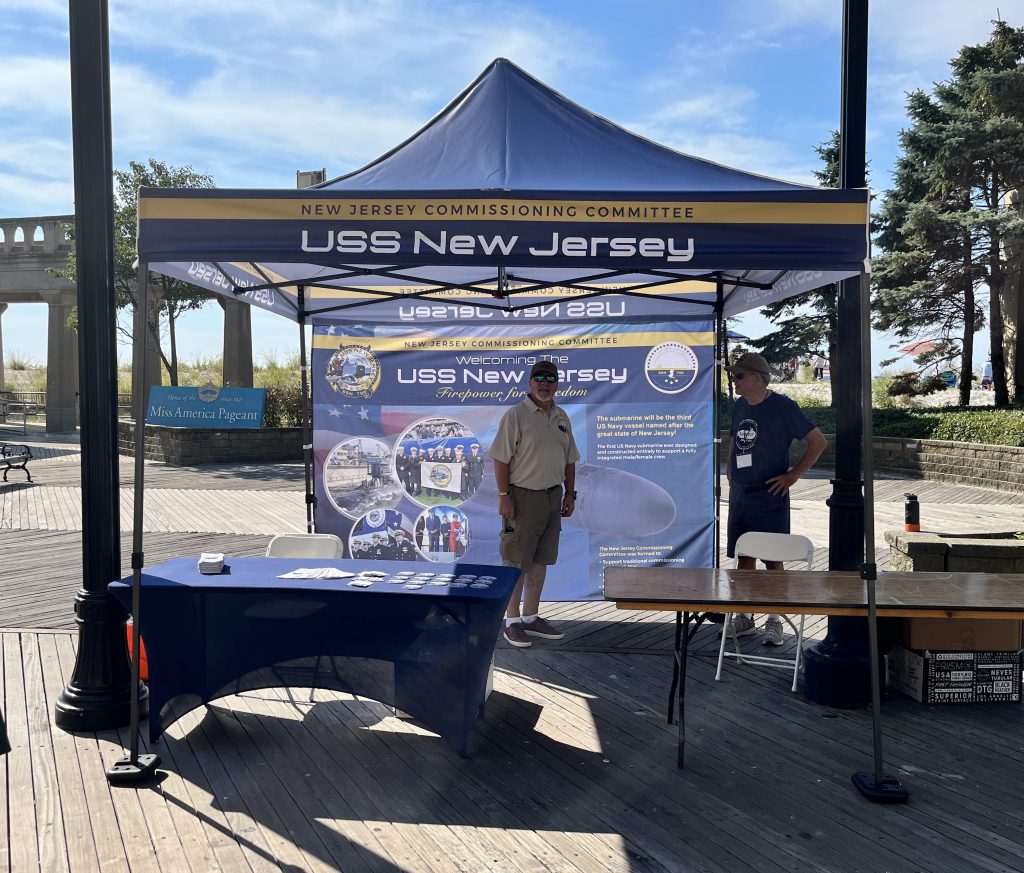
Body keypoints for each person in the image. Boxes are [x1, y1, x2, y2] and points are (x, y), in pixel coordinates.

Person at [727, 352, 827, 645]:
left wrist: (793, 475)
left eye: (739, 375)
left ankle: (774, 620)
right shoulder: (740, 405)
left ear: (758, 379)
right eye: (733, 375)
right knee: (744, 558)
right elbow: (734, 438)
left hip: (769, 494)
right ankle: (745, 617)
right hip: (741, 494)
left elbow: (818, 441)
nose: (734, 380)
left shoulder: (783, 406)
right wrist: (731, 471)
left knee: (773, 560)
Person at [489, 360, 579, 648]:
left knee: (541, 562)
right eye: (539, 379)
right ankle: (512, 622)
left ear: (557, 385)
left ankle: (531, 616)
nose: (544, 384)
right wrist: (504, 496)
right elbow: (500, 459)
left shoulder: (562, 416)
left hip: (553, 497)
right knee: (516, 562)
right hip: (522, 498)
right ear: (529, 383)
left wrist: (570, 494)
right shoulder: (516, 415)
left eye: (550, 380)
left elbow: (569, 459)